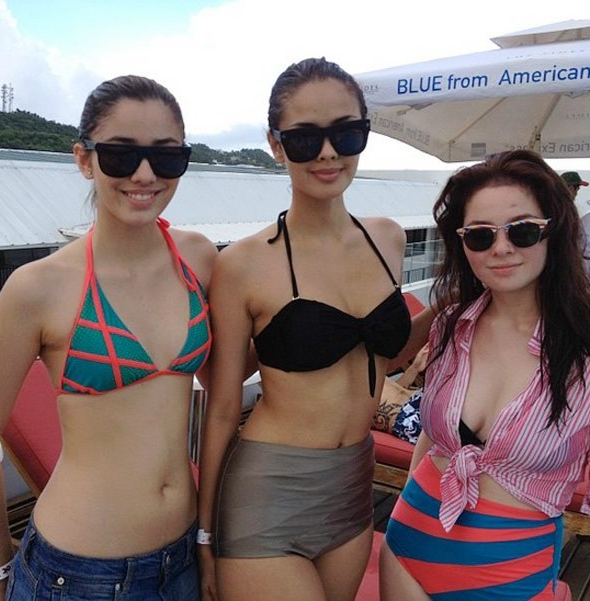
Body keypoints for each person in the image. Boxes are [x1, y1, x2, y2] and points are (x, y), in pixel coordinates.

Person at [197, 57, 432, 601]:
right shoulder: (244, 265)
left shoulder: (388, 239)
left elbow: (384, 354)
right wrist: (205, 534)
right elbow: (224, 406)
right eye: (305, 139)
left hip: (354, 484)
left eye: (346, 134)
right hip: (268, 488)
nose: (327, 153)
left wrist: (443, 310)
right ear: (276, 146)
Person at [0, 75, 218, 600]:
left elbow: (229, 377)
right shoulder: (38, 287)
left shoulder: (199, 259)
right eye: (120, 154)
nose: (145, 174)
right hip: (77, 576)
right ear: (84, 159)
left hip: (183, 559)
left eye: (166, 156)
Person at [380, 150, 590, 600]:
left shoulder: (583, 348)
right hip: (406, 552)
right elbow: (434, 439)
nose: (501, 247)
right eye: (479, 235)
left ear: (553, 231)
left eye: (522, 230)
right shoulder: (450, 324)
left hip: (511, 573)